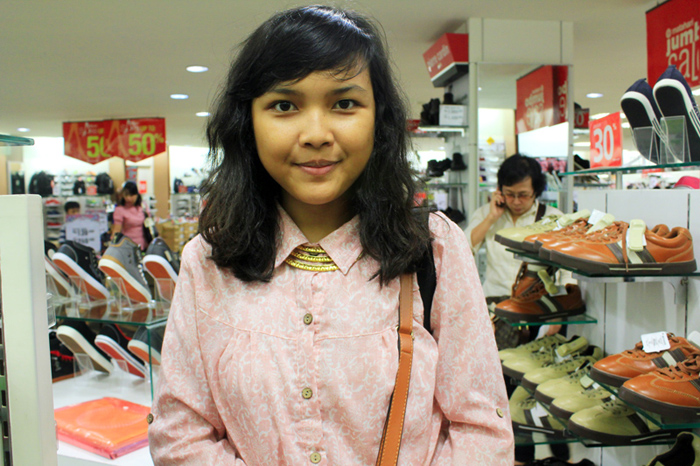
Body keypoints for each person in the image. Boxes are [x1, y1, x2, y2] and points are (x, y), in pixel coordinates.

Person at [149, 6, 513, 465]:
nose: (316, 134)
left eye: (344, 104)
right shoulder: (209, 260)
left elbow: (482, 431)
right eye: (284, 106)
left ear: (378, 118)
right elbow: (179, 436)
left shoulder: (434, 249)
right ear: (248, 122)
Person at [465, 154, 563, 301]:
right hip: (493, 301)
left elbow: (566, 270)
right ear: (500, 190)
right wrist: (491, 218)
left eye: (523, 195)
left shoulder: (553, 218)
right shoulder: (486, 213)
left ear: (536, 191)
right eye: (510, 194)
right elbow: (464, 248)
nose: (516, 202)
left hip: (536, 303)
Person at [112, 181, 148, 251]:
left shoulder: (143, 207)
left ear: (136, 194)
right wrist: (113, 245)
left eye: (131, 195)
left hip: (144, 245)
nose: (128, 198)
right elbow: (116, 230)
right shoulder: (120, 210)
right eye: (126, 195)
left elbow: (148, 223)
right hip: (127, 246)